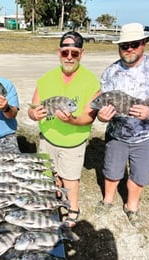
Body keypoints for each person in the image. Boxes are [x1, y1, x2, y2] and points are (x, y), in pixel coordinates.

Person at [28, 31, 100, 227]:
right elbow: (32, 110)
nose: (69, 57)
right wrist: (34, 115)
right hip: (47, 139)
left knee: (70, 178)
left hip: (73, 143)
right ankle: (52, 203)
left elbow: (89, 116)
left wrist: (72, 121)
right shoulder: (46, 79)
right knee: (48, 176)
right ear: (58, 52)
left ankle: (72, 209)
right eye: (65, 52)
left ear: (81, 54)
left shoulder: (91, 81)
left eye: (74, 53)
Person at [95, 23, 149, 226]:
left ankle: (132, 207)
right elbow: (101, 105)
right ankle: (108, 201)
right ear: (119, 47)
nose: (129, 49)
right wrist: (102, 117)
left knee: (138, 175)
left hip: (146, 136)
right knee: (112, 172)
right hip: (117, 135)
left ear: (144, 44)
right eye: (125, 45)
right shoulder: (110, 72)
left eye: (135, 44)